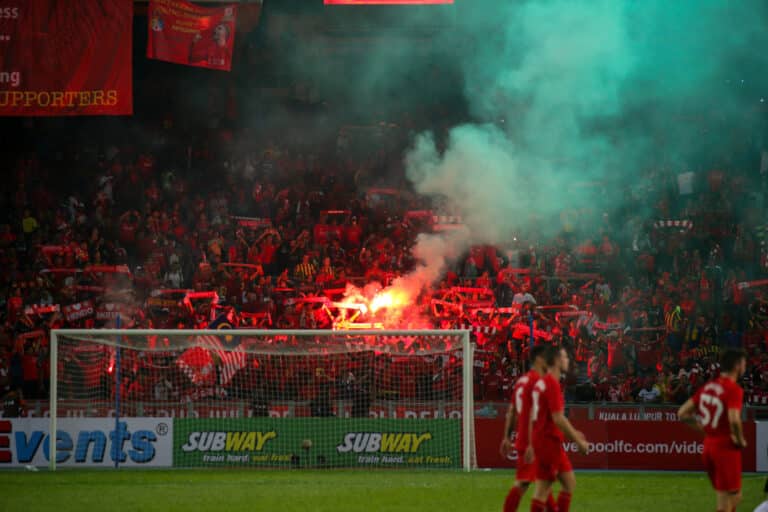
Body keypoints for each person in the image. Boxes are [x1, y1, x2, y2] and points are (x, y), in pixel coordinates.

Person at [678, 348, 748, 512]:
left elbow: (682, 413)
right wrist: (739, 439)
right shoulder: (733, 389)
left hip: (709, 446)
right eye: (744, 363)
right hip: (726, 447)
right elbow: (734, 420)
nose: (745, 366)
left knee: (727, 498)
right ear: (737, 365)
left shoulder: (708, 387)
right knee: (731, 499)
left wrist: (706, 431)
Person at [528, 346, 589, 512]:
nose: (567, 360)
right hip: (547, 442)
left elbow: (550, 417)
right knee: (542, 491)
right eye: (564, 357)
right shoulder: (551, 384)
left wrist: (573, 433)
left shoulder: (547, 382)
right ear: (556, 361)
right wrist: (578, 442)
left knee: (569, 482)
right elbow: (558, 418)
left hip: (550, 440)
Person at [500, 345, 556, 511]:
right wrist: (533, 443)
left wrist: (507, 437)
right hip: (535, 441)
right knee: (531, 484)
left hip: (526, 440)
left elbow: (511, 411)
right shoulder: (537, 382)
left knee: (538, 483)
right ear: (539, 359)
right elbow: (533, 414)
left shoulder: (521, 382)